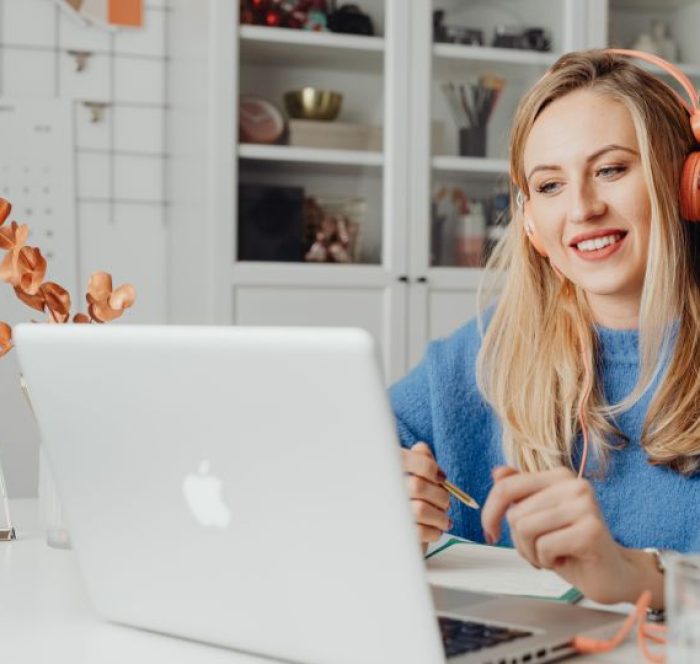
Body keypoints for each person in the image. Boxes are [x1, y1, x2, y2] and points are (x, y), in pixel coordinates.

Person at [390, 49, 700, 611]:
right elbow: (356, 443)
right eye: (550, 186)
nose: (581, 208)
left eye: (610, 169)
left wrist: (640, 578)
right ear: (529, 219)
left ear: (686, 186)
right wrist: (381, 495)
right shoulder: (489, 348)